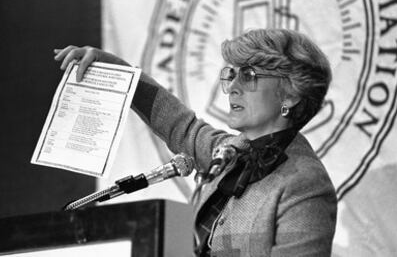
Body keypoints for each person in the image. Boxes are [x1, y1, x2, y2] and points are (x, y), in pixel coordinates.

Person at [54, 28, 337, 256]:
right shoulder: (228, 153)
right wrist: (114, 70)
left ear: (290, 95)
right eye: (231, 74)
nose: (232, 88)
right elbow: (178, 123)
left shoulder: (306, 184)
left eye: (248, 75)